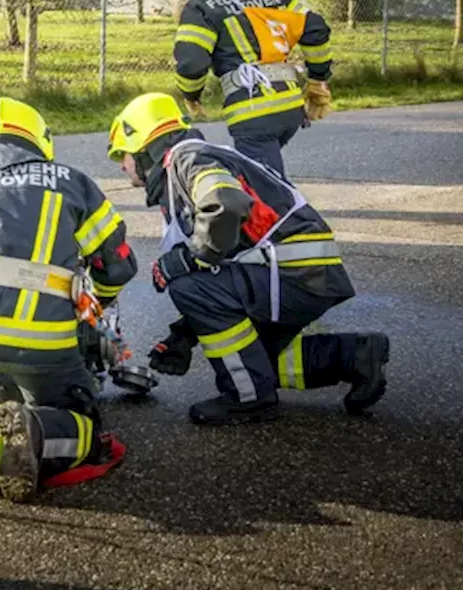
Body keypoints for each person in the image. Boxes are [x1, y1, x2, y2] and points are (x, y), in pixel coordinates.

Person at [107, 92, 390, 426]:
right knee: (255, 359)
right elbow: (226, 259)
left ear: (143, 147)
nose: (122, 166)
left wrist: (188, 258)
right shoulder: (194, 161)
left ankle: (248, 397)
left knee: (184, 285)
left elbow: (225, 204)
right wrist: (183, 336)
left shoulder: (186, 159)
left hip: (291, 272)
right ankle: (355, 356)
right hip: (301, 270)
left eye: (122, 155)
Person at [0, 97, 138, 502]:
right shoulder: (72, 182)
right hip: (46, 347)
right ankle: (37, 431)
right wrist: (92, 311)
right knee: (85, 428)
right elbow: (119, 267)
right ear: (40, 141)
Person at [173, 0, 335, 178]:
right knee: (253, 176)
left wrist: (190, 94)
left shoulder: (202, 6)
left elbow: (191, 61)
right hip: (291, 109)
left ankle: (290, 217)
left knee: (268, 189)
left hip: (252, 113)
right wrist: (318, 80)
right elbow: (315, 28)